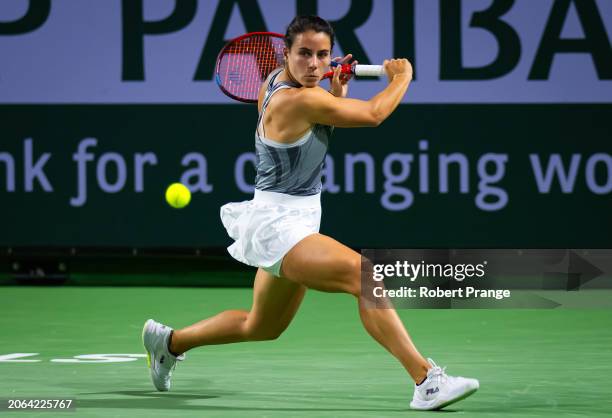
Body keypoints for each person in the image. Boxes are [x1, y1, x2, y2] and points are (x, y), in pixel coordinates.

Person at [143, 15, 479, 411]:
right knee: (365, 277)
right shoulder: (298, 99)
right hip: (279, 225)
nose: (315, 64)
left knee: (262, 326)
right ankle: (426, 381)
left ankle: (168, 343)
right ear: (285, 53)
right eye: (304, 54)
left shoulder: (274, 82)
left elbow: (317, 119)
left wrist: (334, 93)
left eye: (323, 55)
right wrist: (402, 77)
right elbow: (373, 115)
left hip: (294, 217)